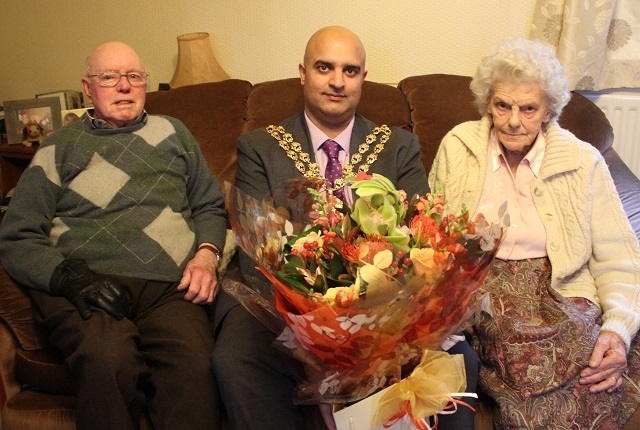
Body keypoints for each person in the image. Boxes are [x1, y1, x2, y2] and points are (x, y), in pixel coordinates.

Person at [211, 25, 479, 430]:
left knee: (461, 357)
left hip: (384, 306)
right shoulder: (260, 147)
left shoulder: (398, 146)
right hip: (281, 304)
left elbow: (422, 236)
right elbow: (256, 251)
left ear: (363, 79)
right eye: (325, 68)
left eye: (350, 71)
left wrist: (372, 321)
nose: (337, 81)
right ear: (303, 73)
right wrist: (311, 327)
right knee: (235, 358)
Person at [0, 42, 227, 430]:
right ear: (88, 88)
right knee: (107, 360)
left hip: (169, 288)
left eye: (133, 77)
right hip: (86, 285)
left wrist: (206, 255)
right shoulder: (58, 146)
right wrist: (67, 277)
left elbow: (209, 206)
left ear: (144, 85)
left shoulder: (174, 132)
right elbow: (17, 235)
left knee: (195, 367)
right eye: (109, 77)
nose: (123, 86)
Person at [429, 37, 640, 429]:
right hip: (484, 288)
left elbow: (620, 256)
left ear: (548, 111)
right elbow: (431, 242)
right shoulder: (458, 148)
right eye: (503, 105)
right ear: (487, 103)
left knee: (592, 347)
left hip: (561, 292)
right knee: (519, 348)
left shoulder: (582, 161)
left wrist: (618, 328)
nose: (513, 120)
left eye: (529, 109)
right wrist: (450, 299)